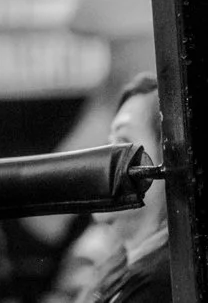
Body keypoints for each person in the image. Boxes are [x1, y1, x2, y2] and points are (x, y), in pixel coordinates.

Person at [76, 75, 170, 303]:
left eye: (122, 140)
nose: (106, 157)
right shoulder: (119, 265)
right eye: (109, 142)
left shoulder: (161, 281)